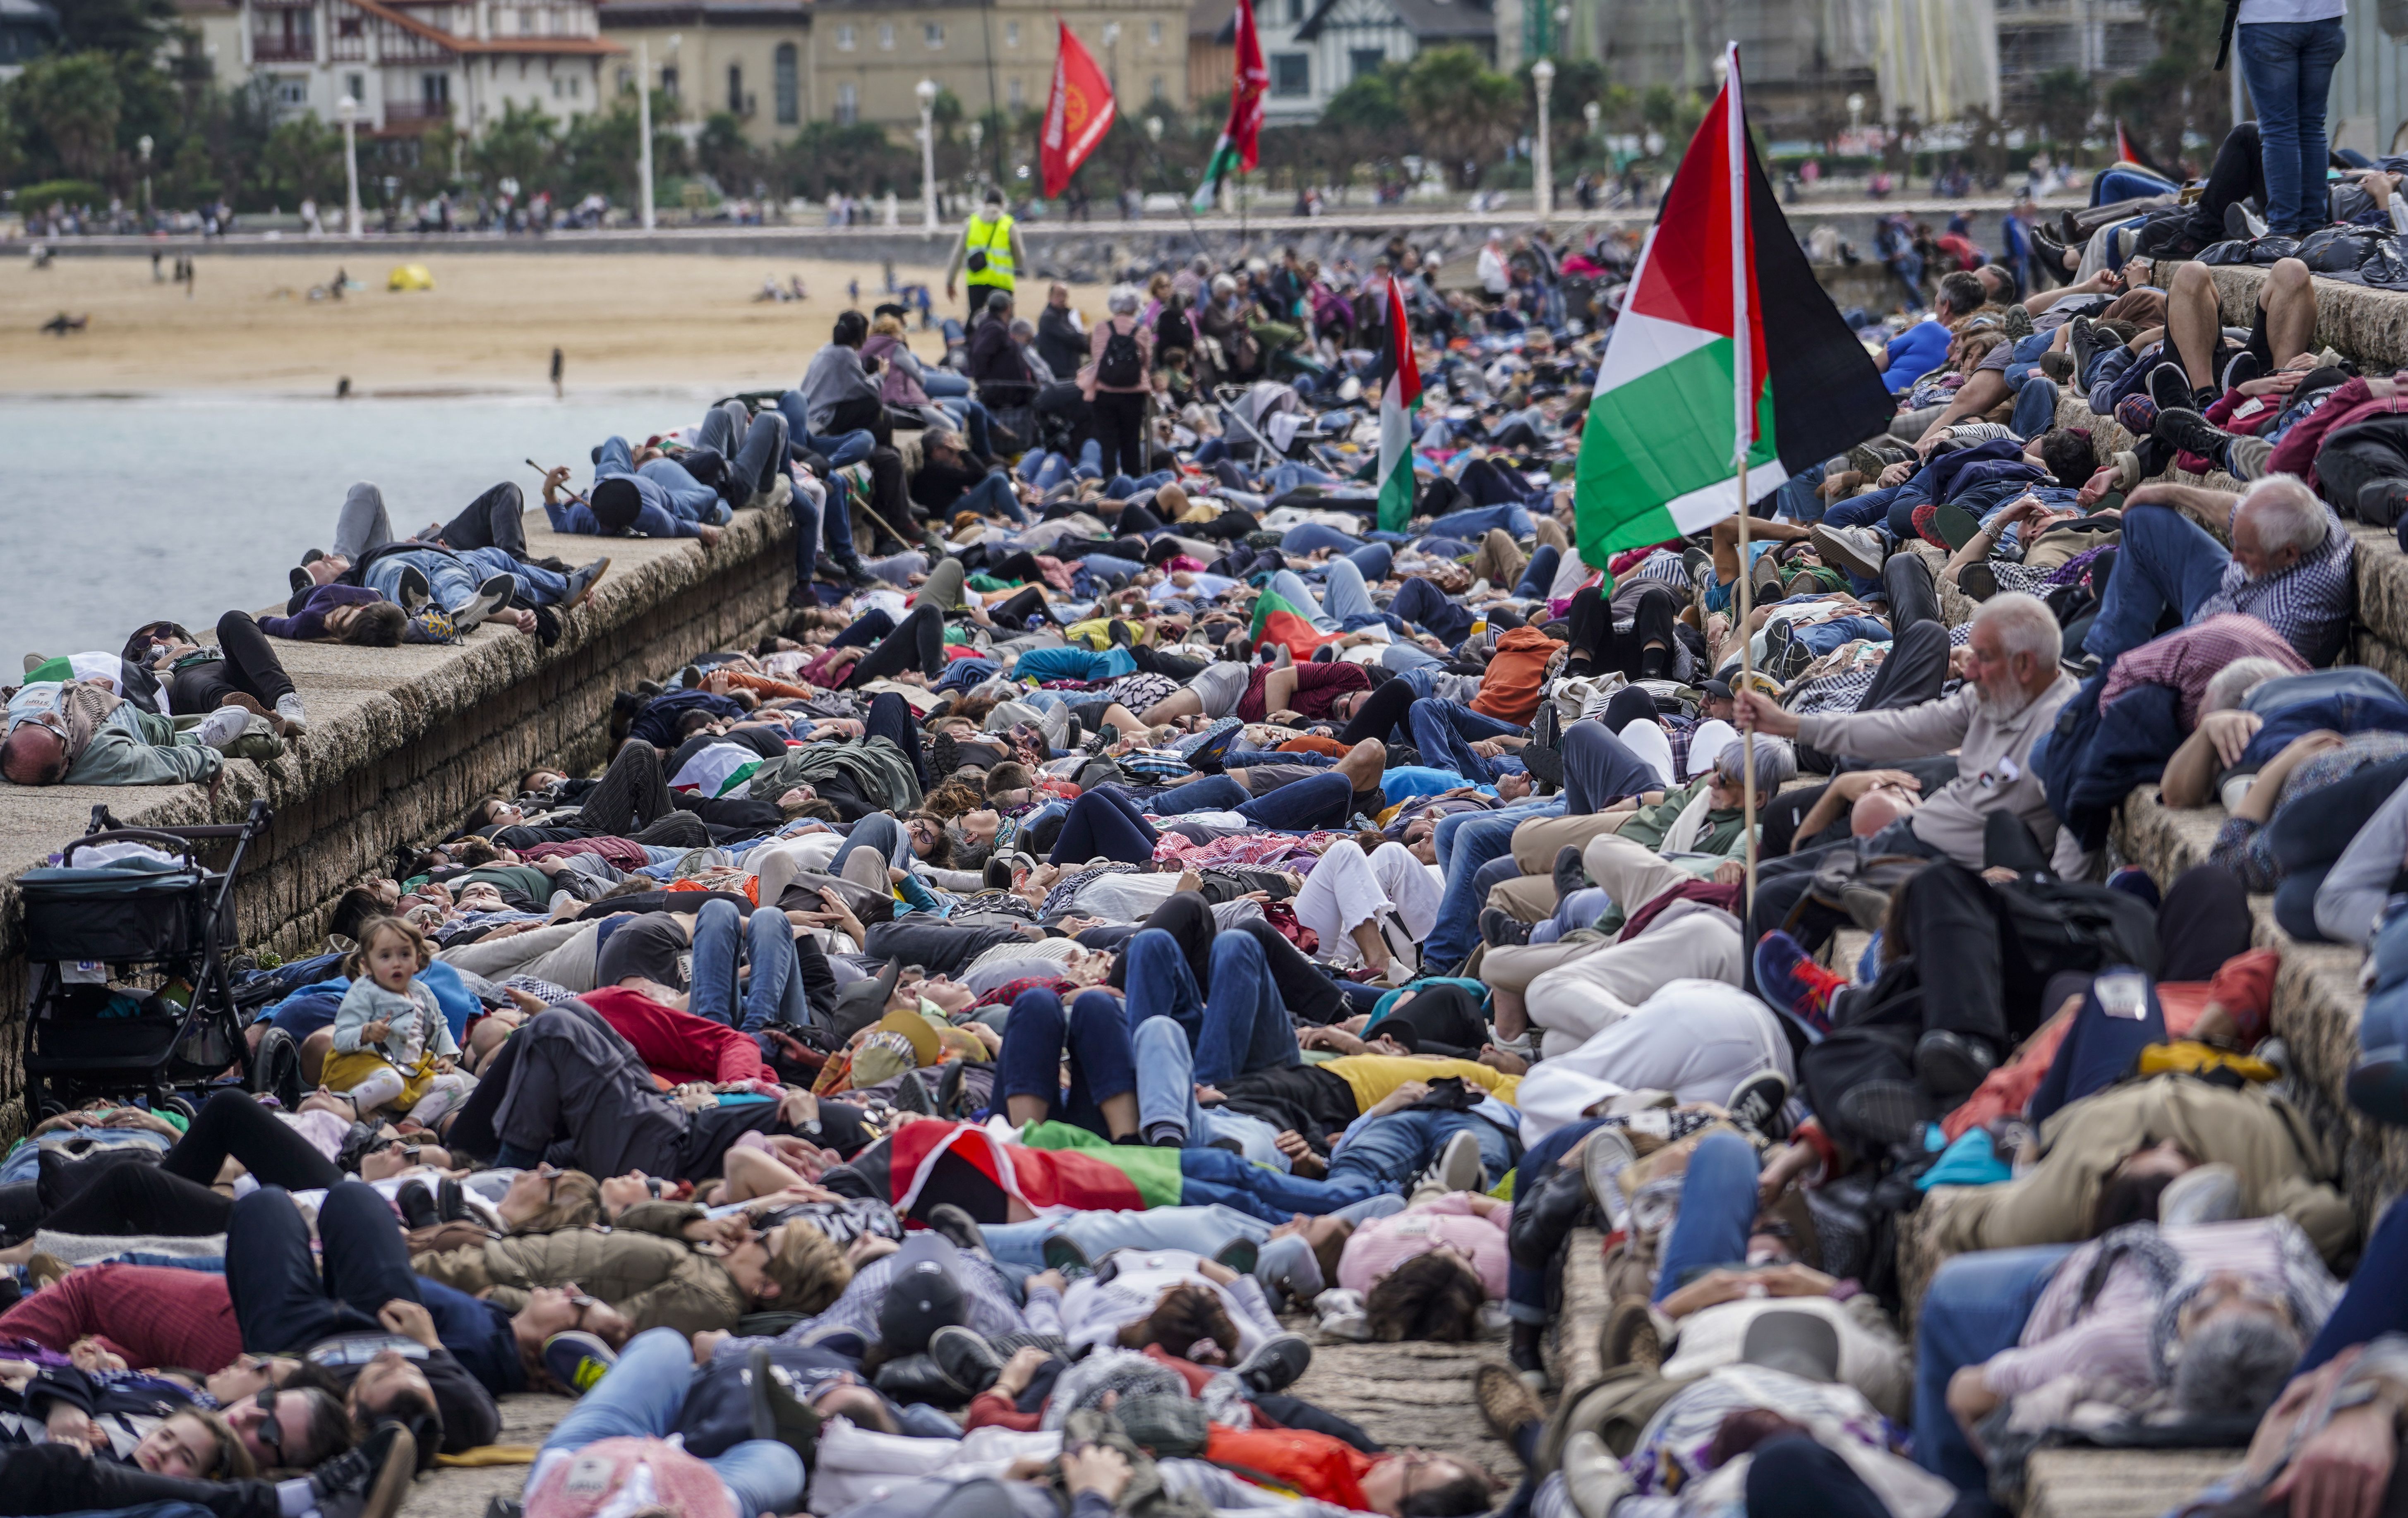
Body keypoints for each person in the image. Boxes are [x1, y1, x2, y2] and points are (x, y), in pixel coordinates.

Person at [2080, 475, 2357, 667]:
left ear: (2289, 554)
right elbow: (2237, 510)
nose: (2234, 557)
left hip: (2218, 642)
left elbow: (2225, 680)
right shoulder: (2310, 516)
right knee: (2144, 518)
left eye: (2246, 551)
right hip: (2225, 594)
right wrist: (2169, 492)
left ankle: (2111, 675)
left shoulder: (2292, 617)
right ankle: (2107, 653)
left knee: (2134, 670)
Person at [322, 916, 471, 1124]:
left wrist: (446, 1056)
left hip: (409, 1071)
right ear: (367, 965)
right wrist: (366, 1032)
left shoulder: (423, 993)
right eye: (385, 956)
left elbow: (440, 1026)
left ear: (417, 961)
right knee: (391, 1082)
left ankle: (412, 1124)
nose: (397, 964)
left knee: (455, 1085)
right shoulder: (365, 991)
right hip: (364, 1067)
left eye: (405, 955)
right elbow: (341, 1037)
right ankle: (342, 1109)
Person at [2234, 0, 2348, 238]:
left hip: (2267, 18)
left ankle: (2284, 232)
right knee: (2313, 127)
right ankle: (2313, 229)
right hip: (2326, 17)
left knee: (2278, 130)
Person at [1083, 284, 1157, 482]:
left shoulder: (1101, 328)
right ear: (1135, 306)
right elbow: (1146, 363)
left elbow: (1098, 359)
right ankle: (1132, 482)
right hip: (1133, 394)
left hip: (1104, 392)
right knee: (1131, 441)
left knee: (1108, 441)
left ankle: (1109, 481)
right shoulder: (1142, 330)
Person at [947, 189, 1025, 320]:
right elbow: (1020, 258)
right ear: (1002, 203)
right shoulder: (1009, 225)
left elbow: (957, 255)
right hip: (1002, 283)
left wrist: (950, 282)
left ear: (985, 202)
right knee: (1005, 323)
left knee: (976, 322)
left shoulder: (971, 223)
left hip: (977, 281)